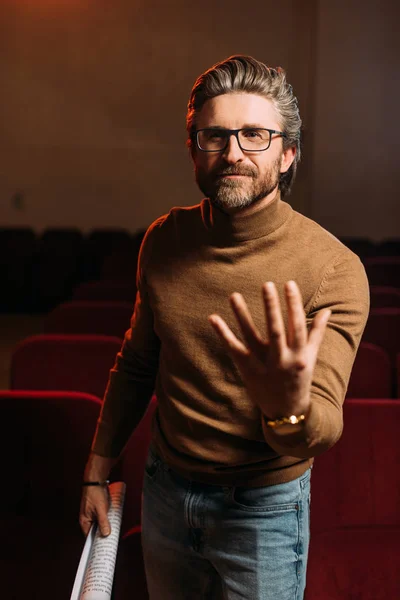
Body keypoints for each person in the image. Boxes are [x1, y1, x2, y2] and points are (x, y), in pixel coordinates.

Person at [79, 55, 369, 599]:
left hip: (264, 509)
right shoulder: (164, 240)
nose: (233, 153)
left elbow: (323, 427)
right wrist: (97, 471)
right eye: (215, 136)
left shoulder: (334, 269)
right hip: (165, 489)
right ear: (194, 149)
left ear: (288, 155)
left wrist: (285, 404)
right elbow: (136, 365)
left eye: (255, 135)